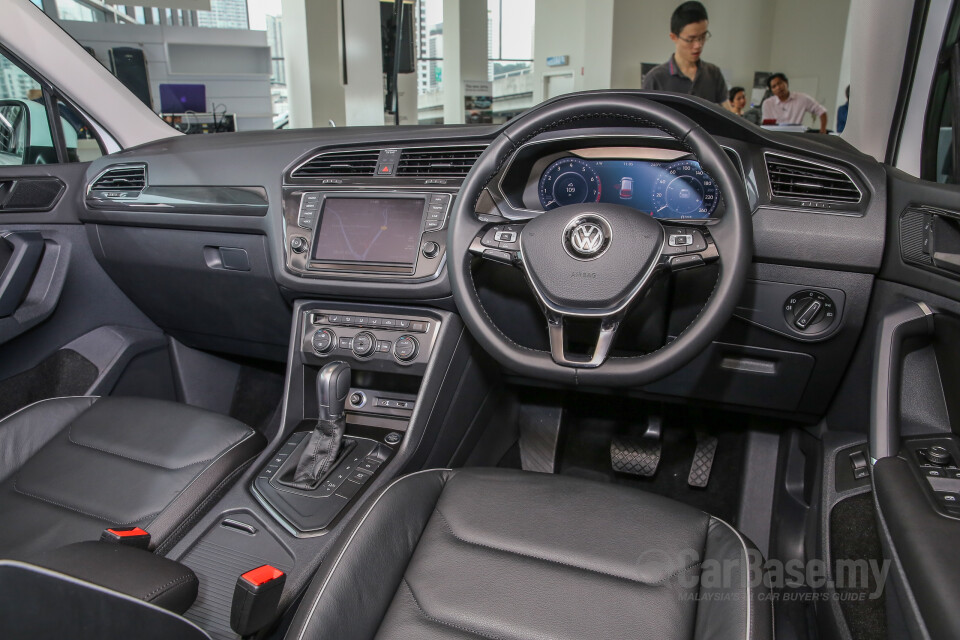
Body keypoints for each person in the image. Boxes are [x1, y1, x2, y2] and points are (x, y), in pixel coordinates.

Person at [641, 1, 729, 106]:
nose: (698, 45)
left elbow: (727, 113)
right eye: (690, 39)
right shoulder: (655, 79)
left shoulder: (713, 74)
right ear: (674, 37)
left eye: (702, 37)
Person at [761, 73, 828, 133]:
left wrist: (823, 130)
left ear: (786, 82)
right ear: (771, 90)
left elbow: (822, 111)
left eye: (780, 83)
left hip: (796, 136)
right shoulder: (767, 103)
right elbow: (767, 126)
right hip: (776, 136)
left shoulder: (802, 98)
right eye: (774, 86)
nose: (778, 87)